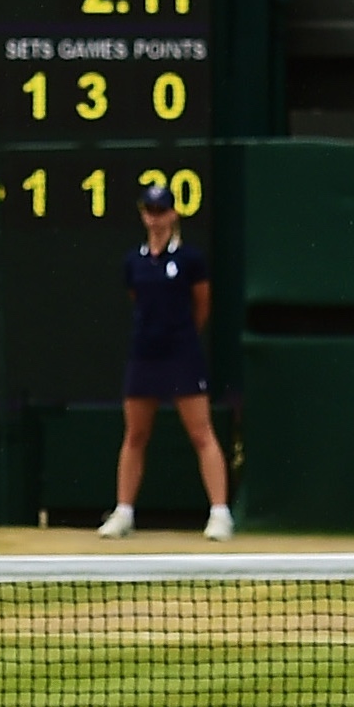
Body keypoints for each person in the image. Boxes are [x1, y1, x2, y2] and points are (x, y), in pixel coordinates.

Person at [98, 172, 231, 542]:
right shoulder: (133, 262)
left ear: (173, 215)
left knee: (201, 433)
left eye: (161, 211)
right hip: (144, 355)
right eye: (149, 211)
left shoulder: (190, 259)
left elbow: (202, 305)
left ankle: (220, 514)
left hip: (182, 355)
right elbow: (137, 301)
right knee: (135, 434)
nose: (154, 217)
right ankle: (123, 513)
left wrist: (181, 337)